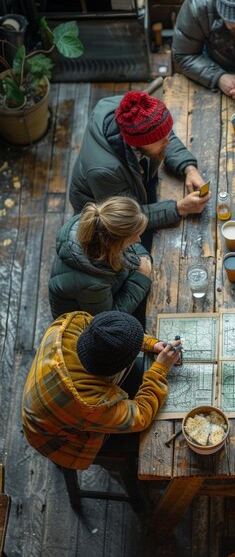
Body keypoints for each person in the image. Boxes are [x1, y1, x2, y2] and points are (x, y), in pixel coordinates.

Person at [22, 310, 181, 469]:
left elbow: (108, 333)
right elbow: (141, 417)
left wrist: (150, 343)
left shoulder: (70, 325)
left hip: (45, 395)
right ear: (117, 370)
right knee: (143, 439)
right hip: (55, 438)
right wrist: (160, 369)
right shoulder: (88, 403)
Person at [69, 90, 210, 243]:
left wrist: (188, 168)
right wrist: (180, 208)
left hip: (131, 182)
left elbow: (161, 133)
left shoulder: (132, 112)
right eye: (161, 140)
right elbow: (127, 218)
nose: (168, 141)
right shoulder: (104, 171)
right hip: (104, 211)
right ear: (137, 144)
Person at [49, 196, 152, 319]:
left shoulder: (97, 227)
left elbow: (129, 248)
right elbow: (109, 317)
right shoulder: (91, 284)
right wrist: (141, 277)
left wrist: (141, 256)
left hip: (99, 297)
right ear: (114, 244)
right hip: (82, 325)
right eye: (133, 237)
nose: (138, 240)